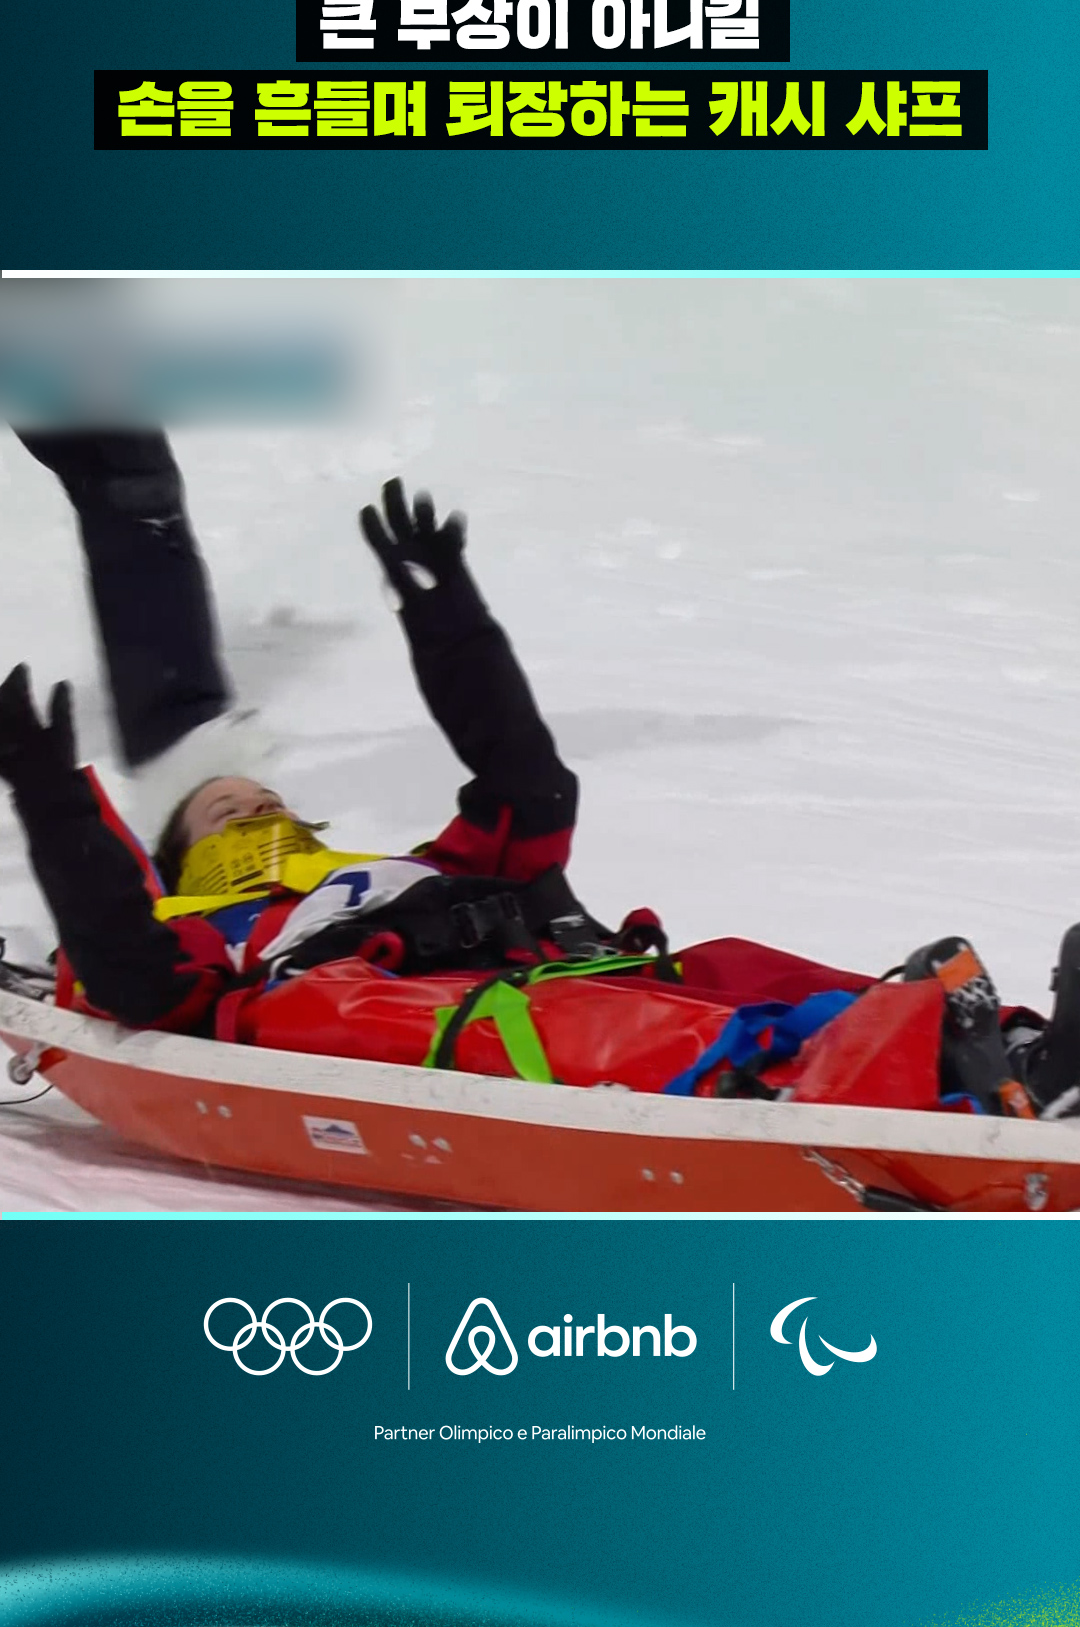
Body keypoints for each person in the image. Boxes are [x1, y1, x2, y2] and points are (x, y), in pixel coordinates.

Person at [0, 426, 1077, 1117]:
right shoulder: (210, 935)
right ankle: (898, 1076)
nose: (257, 799)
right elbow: (127, 968)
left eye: (266, 793)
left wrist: (448, 620)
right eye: (230, 806)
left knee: (725, 964)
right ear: (181, 854)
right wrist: (54, 807)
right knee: (461, 1013)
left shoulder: (405, 869)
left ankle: (1015, 1049)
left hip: (564, 973)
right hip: (418, 1015)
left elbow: (528, 786)